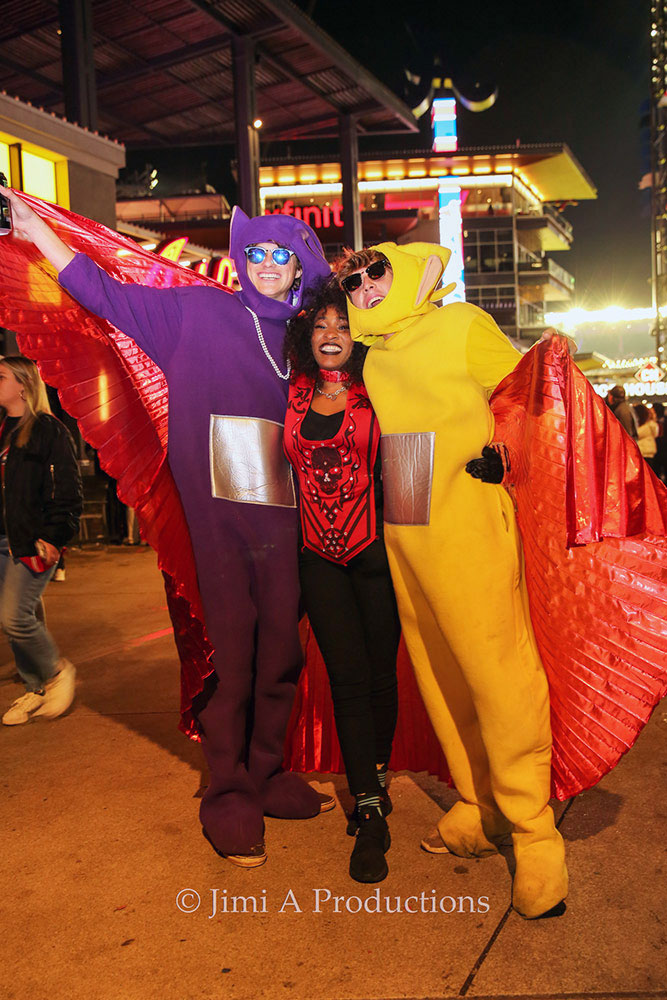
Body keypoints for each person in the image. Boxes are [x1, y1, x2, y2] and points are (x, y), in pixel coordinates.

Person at [1, 184, 333, 866]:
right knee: (235, 655)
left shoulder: (314, 342)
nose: (268, 262)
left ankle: (267, 771)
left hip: (288, 516)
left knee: (283, 652)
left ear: (299, 268)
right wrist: (36, 228)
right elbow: (97, 289)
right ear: (243, 260)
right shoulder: (197, 310)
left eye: (281, 253)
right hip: (217, 516)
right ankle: (229, 792)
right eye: (257, 251)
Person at [335, 242, 568, 919]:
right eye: (351, 280)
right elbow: (403, 444)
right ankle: (480, 803)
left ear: (405, 268)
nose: (364, 286)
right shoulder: (373, 358)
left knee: (498, 675)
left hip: (467, 525)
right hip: (408, 528)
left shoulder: (459, 323)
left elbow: (537, 395)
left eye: (374, 270)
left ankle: (535, 835)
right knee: (440, 675)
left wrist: (504, 455)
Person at [283, 278, 400, 883]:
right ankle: (371, 810)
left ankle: (375, 779)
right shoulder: (293, 393)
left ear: (360, 336)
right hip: (316, 556)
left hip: (376, 552)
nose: (331, 335)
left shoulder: (382, 387)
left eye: (343, 325)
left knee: (381, 677)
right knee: (347, 680)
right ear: (308, 335)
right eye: (321, 326)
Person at [0, 356, 82, 725]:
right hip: (3, 537)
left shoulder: (48, 430)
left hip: (30, 540)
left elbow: (67, 490)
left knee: (14, 617)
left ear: (22, 385)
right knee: (23, 614)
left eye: (0, 377)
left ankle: (56, 673)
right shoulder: (3, 428)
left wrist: (53, 536)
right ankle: (34, 689)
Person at [634, 403, 659, 473]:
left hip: (643, 452)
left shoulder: (645, 427)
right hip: (650, 452)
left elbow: (636, 434)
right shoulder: (652, 425)